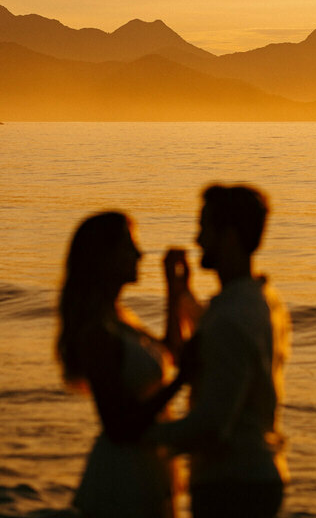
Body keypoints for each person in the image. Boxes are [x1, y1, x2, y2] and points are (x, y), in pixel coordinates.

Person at [148, 184, 291, 518]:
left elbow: (211, 427)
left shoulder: (231, 317)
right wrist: (180, 293)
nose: (197, 239)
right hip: (257, 474)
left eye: (204, 228)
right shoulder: (262, 300)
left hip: (232, 485)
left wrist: (141, 436)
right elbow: (212, 337)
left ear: (228, 237)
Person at [55, 211, 196, 518]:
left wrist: (174, 289)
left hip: (147, 466)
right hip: (122, 477)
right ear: (104, 258)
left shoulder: (120, 316)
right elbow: (118, 427)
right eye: (129, 247)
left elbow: (169, 354)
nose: (140, 254)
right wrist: (180, 381)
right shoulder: (97, 331)